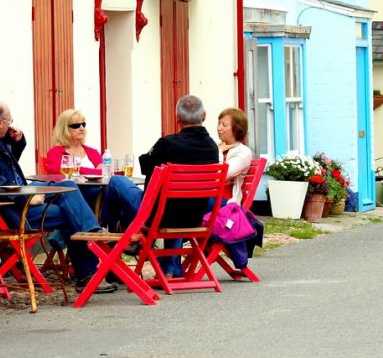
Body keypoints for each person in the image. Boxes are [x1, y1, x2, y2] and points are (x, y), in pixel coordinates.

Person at [0, 100, 117, 293]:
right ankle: (88, 271)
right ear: (0, 122)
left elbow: (7, 168)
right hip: (12, 210)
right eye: (9, 121)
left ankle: (91, 231)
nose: (10, 125)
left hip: (16, 198)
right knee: (70, 213)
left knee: (66, 185)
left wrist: (17, 142)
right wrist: (25, 198)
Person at [137, 94, 223, 277]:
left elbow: (145, 165)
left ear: (177, 119)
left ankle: (117, 242)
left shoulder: (168, 144)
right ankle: (171, 267)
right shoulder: (212, 148)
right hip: (195, 217)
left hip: (161, 217)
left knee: (117, 184)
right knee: (177, 202)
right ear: (204, 116)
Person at [45, 108, 142, 231]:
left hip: (100, 195)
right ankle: (132, 223)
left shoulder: (91, 152)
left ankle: (128, 225)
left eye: (83, 124)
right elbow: (58, 172)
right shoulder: (55, 153)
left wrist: (81, 170)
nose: (81, 128)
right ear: (64, 129)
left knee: (117, 184)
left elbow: (105, 172)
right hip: (79, 197)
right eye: (76, 125)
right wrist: (94, 171)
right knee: (117, 187)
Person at [217, 107, 253, 200]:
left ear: (237, 129)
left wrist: (219, 151)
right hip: (211, 196)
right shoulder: (217, 147)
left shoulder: (243, 152)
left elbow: (220, 176)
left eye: (224, 125)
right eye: (219, 123)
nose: (218, 128)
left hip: (226, 202)